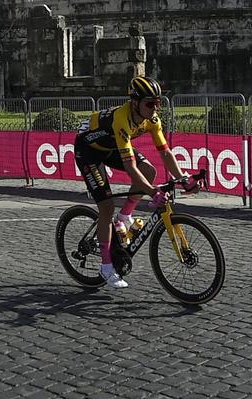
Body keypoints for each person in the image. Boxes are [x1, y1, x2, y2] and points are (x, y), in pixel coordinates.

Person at [73, 76, 192, 290]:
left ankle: (125, 216)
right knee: (106, 207)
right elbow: (130, 169)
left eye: (158, 103)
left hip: (111, 147)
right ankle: (107, 267)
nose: (155, 108)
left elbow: (165, 153)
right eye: (150, 104)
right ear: (135, 102)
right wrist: (152, 191)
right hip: (88, 152)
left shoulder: (152, 119)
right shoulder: (121, 118)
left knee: (150, 170)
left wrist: (182, 178)